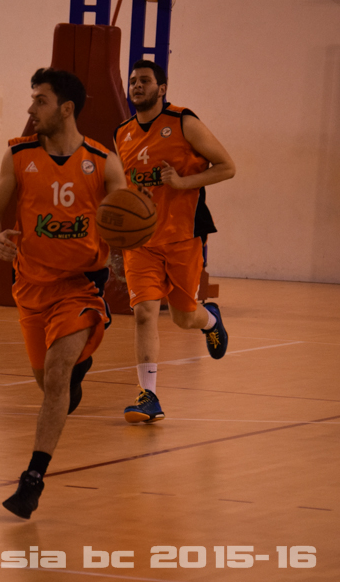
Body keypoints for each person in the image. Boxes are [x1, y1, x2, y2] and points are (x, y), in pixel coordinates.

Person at [0, 68, 127, 518]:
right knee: (48, 383)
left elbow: (125, 219)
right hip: (30, 286)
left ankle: (32, 480)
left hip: (80, 285)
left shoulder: (104, 162)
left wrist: (124, 253)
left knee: (58, 373)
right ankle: (75, 372)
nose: (31, 109)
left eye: (40, 100)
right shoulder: (18, 155)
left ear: (66, 108)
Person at [113, 59, 236, 424]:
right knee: (143, 313)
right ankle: (148, 395)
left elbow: (227, 166)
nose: (137, 86)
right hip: (142, 239)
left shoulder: (184, 122)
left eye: (145, 80)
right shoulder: (122, 133)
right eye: (133, 81)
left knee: (183, 317)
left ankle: (209, 320)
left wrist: (182, 183)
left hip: (182, 234)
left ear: (162, 89)